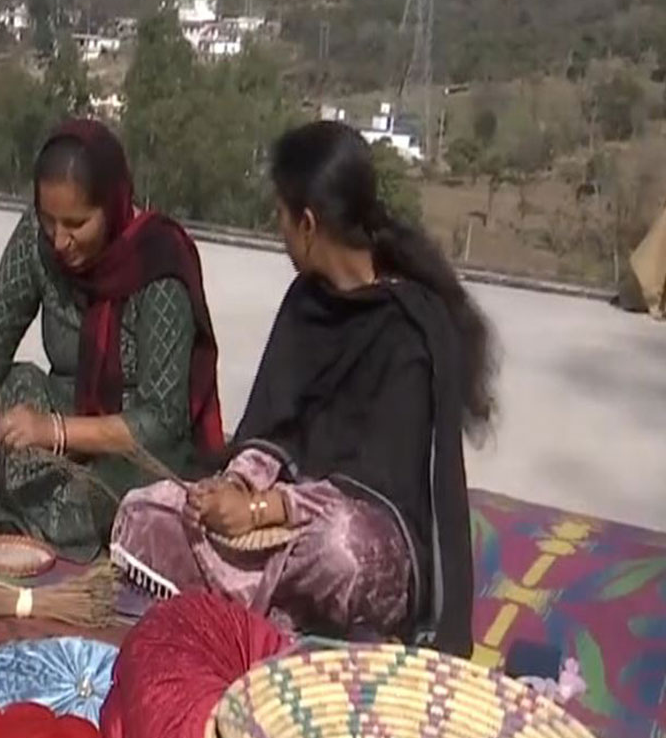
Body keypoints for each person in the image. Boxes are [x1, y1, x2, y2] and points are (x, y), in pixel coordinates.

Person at [112, 120, 497, 655]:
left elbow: (376, 488)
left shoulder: (411, 327)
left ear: (308, 223)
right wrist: (233, 488)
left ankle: (253, 615)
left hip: (355, 536)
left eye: (281, 214)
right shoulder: (305, 302)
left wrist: (262, 511)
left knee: (342, 551)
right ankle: (280, 622)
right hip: (272, 525)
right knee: (145, 513)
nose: (280, 229)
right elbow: (273, 430)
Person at [0, 119, 223, 562]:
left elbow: (162, 421)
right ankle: (28, 494)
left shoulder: (158, 265)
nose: (60, 240)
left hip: (127, 440)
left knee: (130, 492)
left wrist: (54, 432)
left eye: (77, 224)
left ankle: (24, 496)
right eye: (49, 221)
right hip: (60, 398)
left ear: (113, 207)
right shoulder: (37, 237)